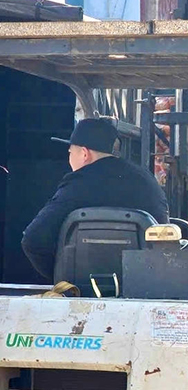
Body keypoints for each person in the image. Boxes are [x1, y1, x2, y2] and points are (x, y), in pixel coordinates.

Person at [21, 117, 170, 279]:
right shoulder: (146, 180)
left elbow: (33, 240)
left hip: (83, 290)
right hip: (146, 286)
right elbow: (165, 240)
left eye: (70, 153)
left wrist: (65, 276)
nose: (69, 158)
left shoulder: (76, 185)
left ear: (85, 154)